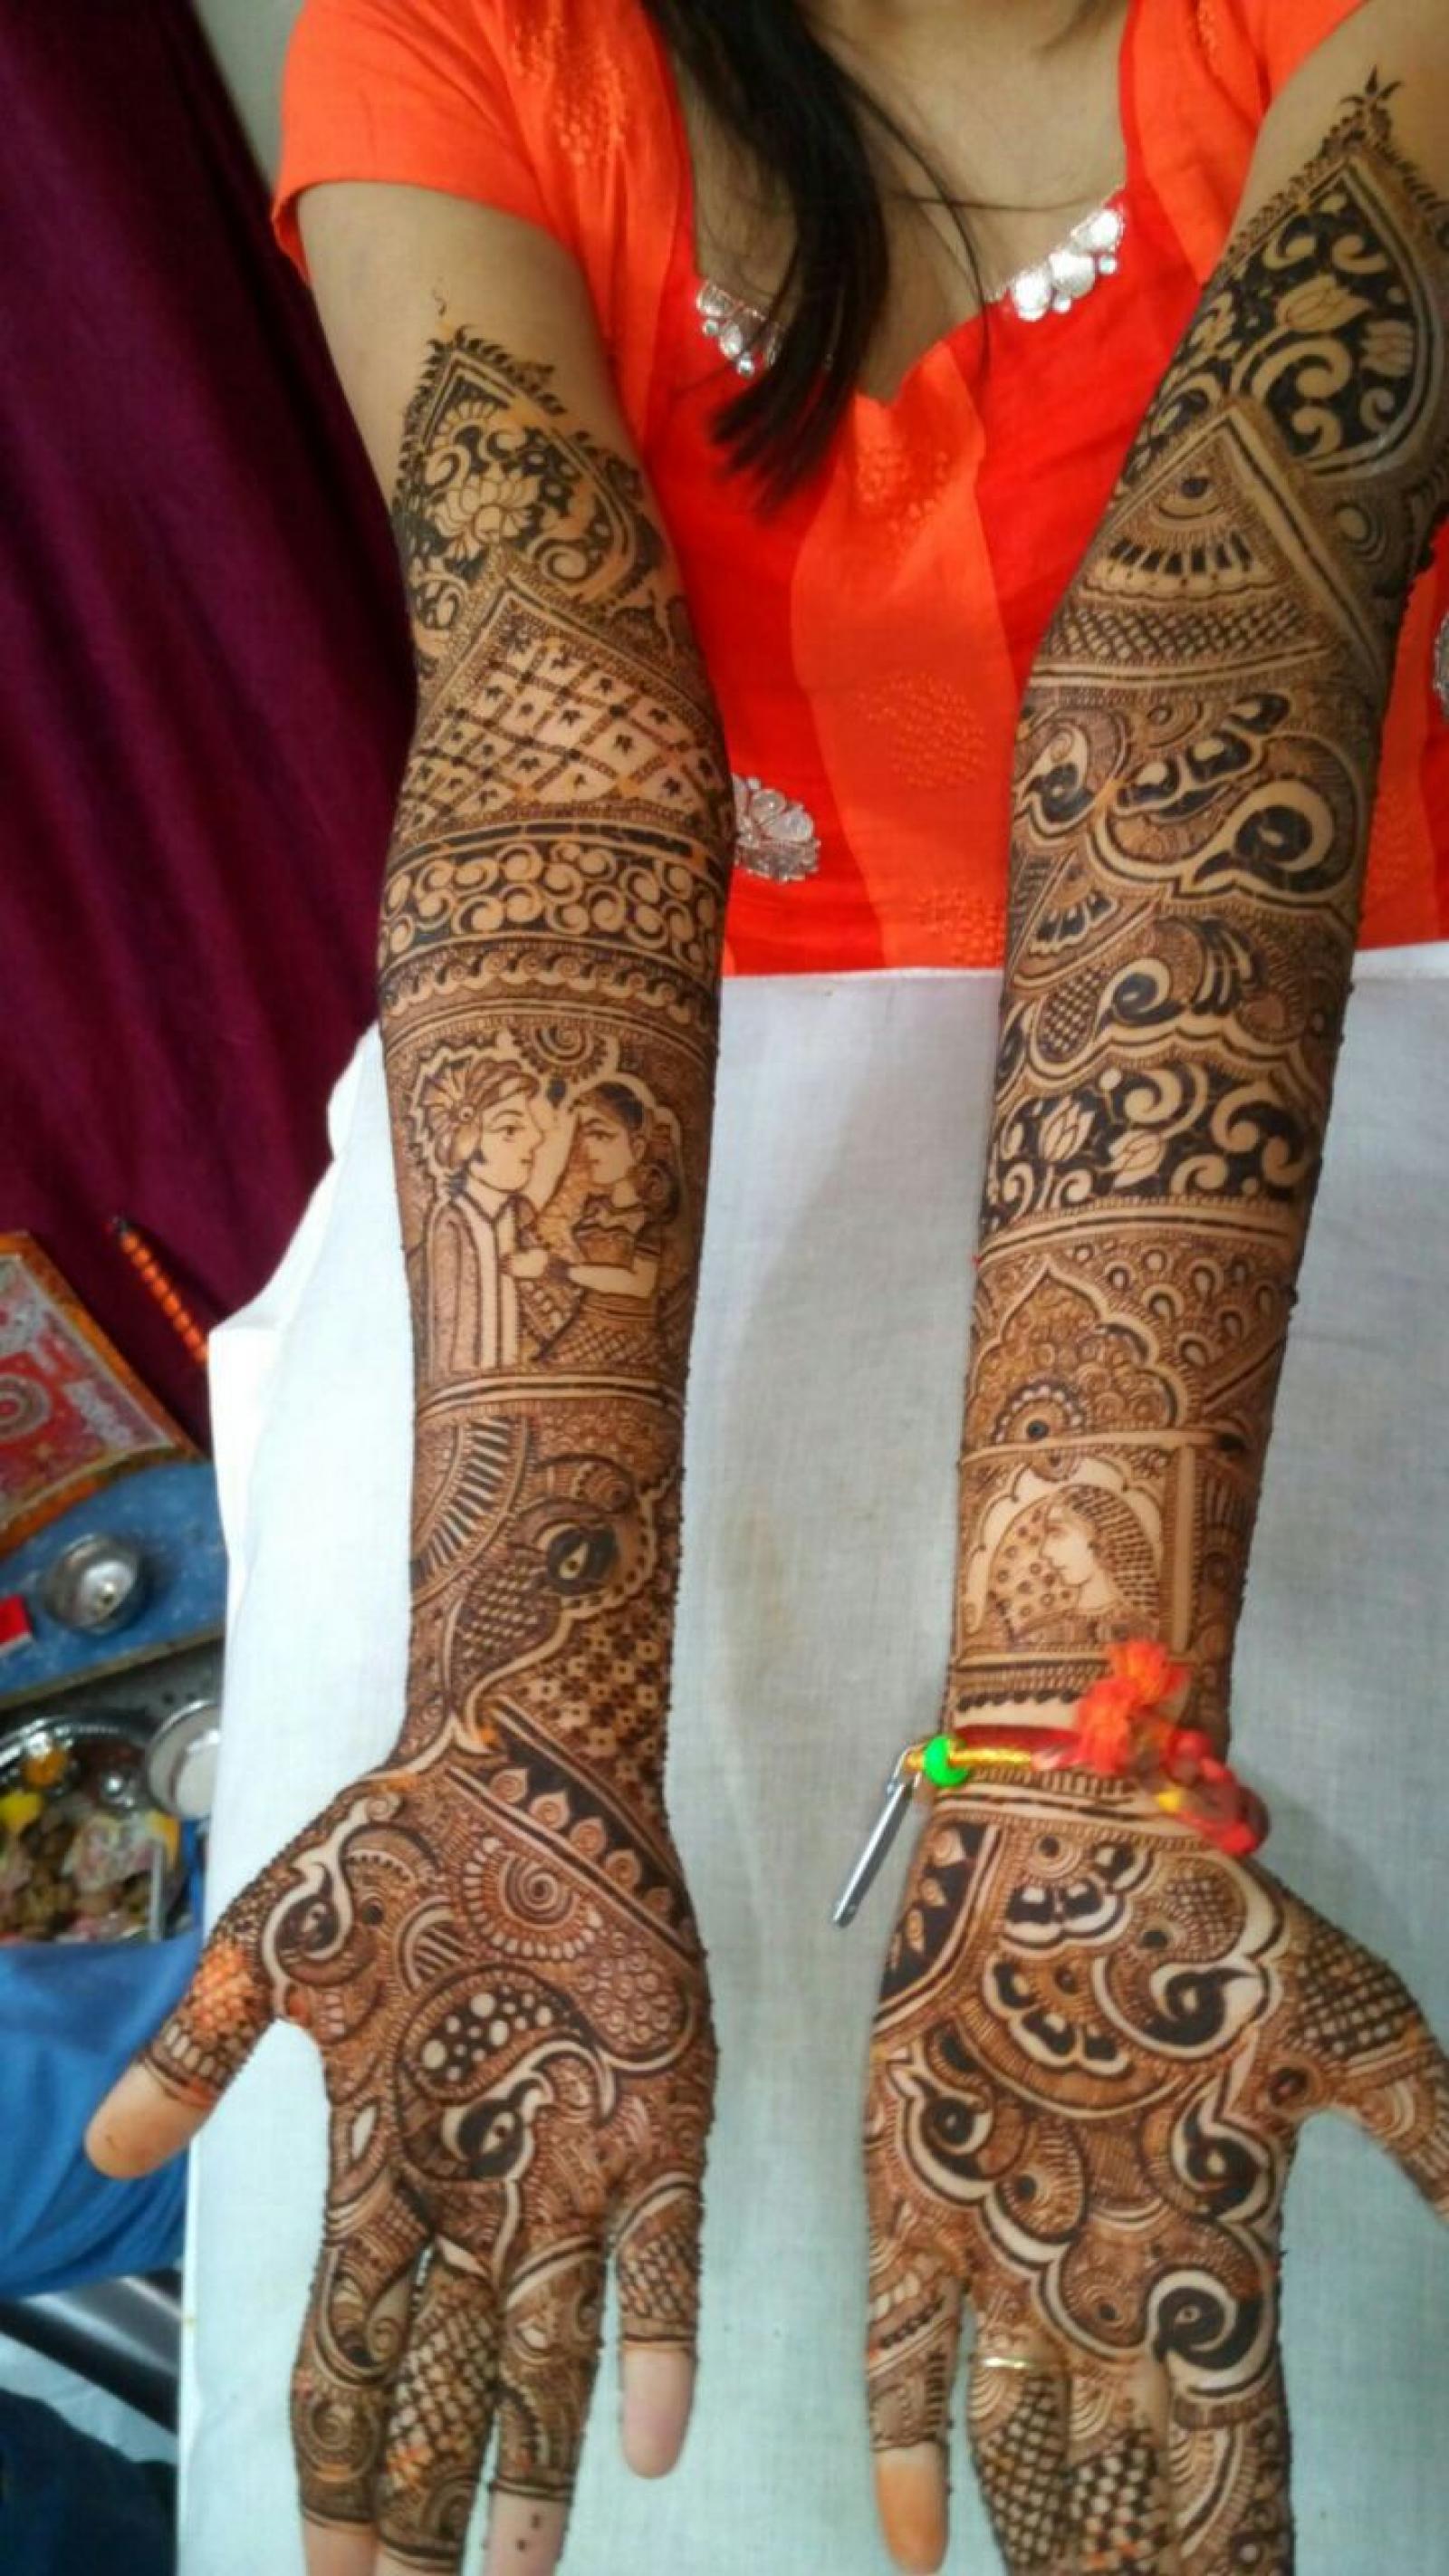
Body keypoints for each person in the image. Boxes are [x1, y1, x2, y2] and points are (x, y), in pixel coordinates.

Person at [85, 2, 1449, 2572]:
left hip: (1330, 995)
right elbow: (556, 713)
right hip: (642, 1043)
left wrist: (1077, 1733)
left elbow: (1227, 629)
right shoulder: (461, 29)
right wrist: (518, 1710)